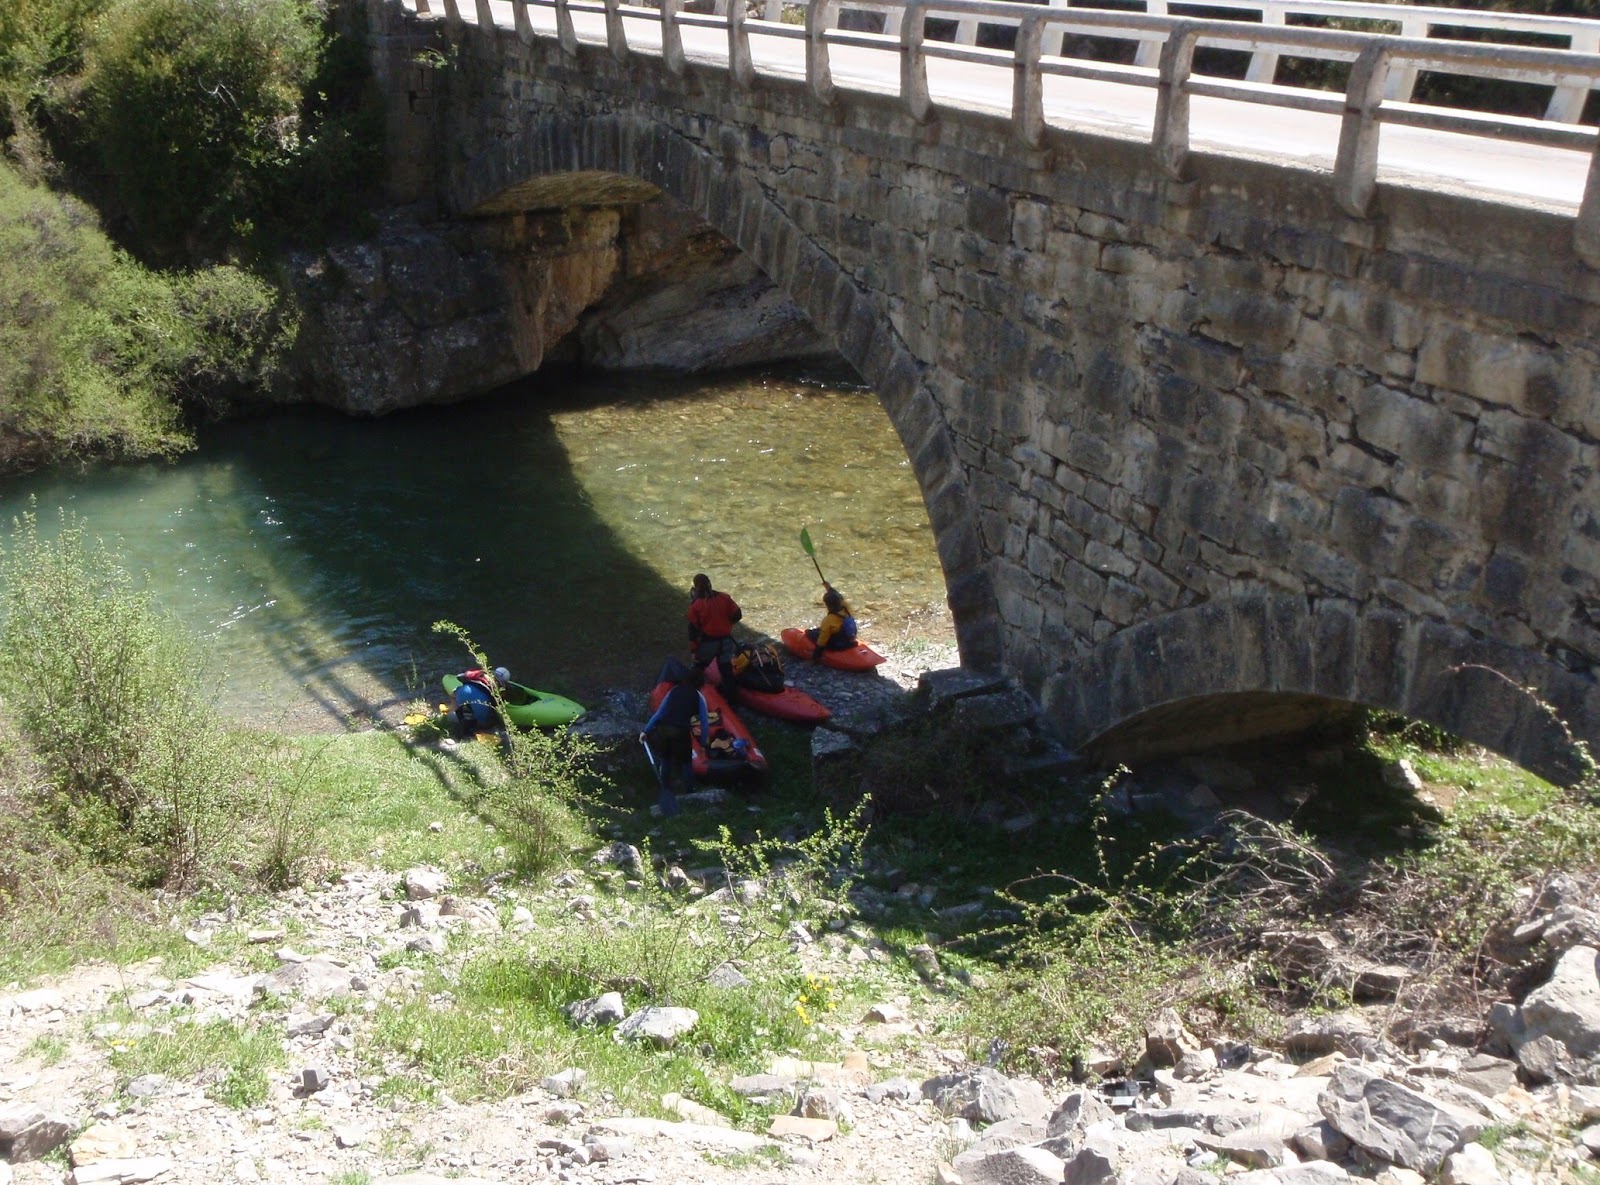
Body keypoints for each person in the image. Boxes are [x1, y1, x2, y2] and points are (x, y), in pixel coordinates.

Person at [639, 666, 709, 817]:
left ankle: (665, 787)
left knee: (666, 759)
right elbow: (704, 722)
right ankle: (689, 792)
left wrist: (646, 731)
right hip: (681, 732)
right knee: (686, 763)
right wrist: (703, 742)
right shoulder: (698, 696)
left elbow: (660, 713)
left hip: (664, 731)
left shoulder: (674, 691)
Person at [687, 573, 742, 672]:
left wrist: (693, 651)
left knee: (699, 667)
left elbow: (693, 631)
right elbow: (738, 615)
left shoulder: (695, 606)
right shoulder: (724, 597)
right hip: (726, 640)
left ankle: (696, 685)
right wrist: (727, 624)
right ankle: (730, 686)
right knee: (725, 668)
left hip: (709, 642)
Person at [805, 585, 857, 660]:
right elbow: (840, 597)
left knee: (810, 633)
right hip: (849, 640)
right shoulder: (847, 609)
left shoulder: (828, 620)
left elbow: (822, 641)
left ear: (827, 605)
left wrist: (815, 656)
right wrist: (829, 588)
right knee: (822, 630)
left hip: (838, 645)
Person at [453, 666, 509, 731]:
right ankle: (473, 728)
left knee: (456, 696)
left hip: (463, 691)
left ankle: (454, 714)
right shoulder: (502, 685)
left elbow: (461, 676)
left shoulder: (483, 673)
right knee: (484, 724)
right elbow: (498, 703)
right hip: (480, 699)